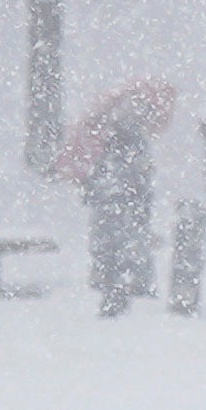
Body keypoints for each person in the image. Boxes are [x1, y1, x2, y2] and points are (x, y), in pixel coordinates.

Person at [73, 105, 163, 319]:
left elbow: (97, 184)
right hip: (125, 211)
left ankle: (114, 293)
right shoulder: (133, 150)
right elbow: (143, 184)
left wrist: (91, 188)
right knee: (126, 253)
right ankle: (129, 288)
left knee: (110, 255)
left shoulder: (110, 151)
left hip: (111, 211)